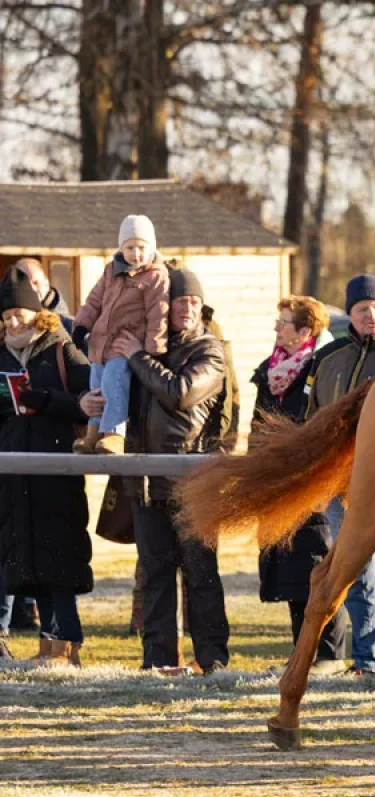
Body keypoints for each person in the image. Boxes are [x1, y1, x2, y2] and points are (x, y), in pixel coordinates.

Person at [80, 268, 232, 674]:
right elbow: (118, 394)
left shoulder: (209, 351)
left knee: (200, 575)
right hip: (145, 481)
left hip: (193, 482)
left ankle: (213, 660)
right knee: (156, 575)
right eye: (177, 302)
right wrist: (90, 404)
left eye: (192, 302)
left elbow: (180, 394)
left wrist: (136, 356)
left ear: (202, 308)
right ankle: (158, 661)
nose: (184, 309)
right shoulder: (150, 348)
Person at [308, 273, 375, 682]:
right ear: (350, 314)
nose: (370, 315)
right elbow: (314, 423)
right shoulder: (329, 360)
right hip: (342, 488)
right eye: (361, 309)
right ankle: (368, 660)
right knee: (355, 576)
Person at [0, 268, 92, 666]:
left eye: (18, 314)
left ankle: (64, 643)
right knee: (23, 557)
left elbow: (88, 402)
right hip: (12, 473)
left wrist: (44, 400)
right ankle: (43, 644)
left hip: (56, 469)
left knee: (60, 556)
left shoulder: (61, 348)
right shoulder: (0, 353)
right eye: (5, 317)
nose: (11, 322)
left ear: (36, 313)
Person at [252, 296, 348, 676]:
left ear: (305, 331)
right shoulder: (270, 371)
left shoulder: (323, 369)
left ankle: (330, 654)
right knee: (291, 571)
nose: (277, 329)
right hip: (278, 482)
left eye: (284, 323)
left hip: (314, 484)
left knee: (317, 565)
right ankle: (302, 651)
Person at [71, 215, 170, 455]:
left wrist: (154, 347)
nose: (136, 253)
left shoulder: (155, 276)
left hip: (124, 342)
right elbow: (94, 301)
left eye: (141, 247)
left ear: (151, 247)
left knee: (113, 383)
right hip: (100, 344)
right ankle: (94, 432)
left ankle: (114, 433)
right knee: (96, 386)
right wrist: (82, 325)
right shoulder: (111, 271)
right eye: (129, 247)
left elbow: (158, 311)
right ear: (121, 248)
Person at [15, 258, 72, 332]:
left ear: (46, 282)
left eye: (35, 282)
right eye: (25, 284)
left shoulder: (69, 327)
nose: (32, 289)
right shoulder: (8, 326)